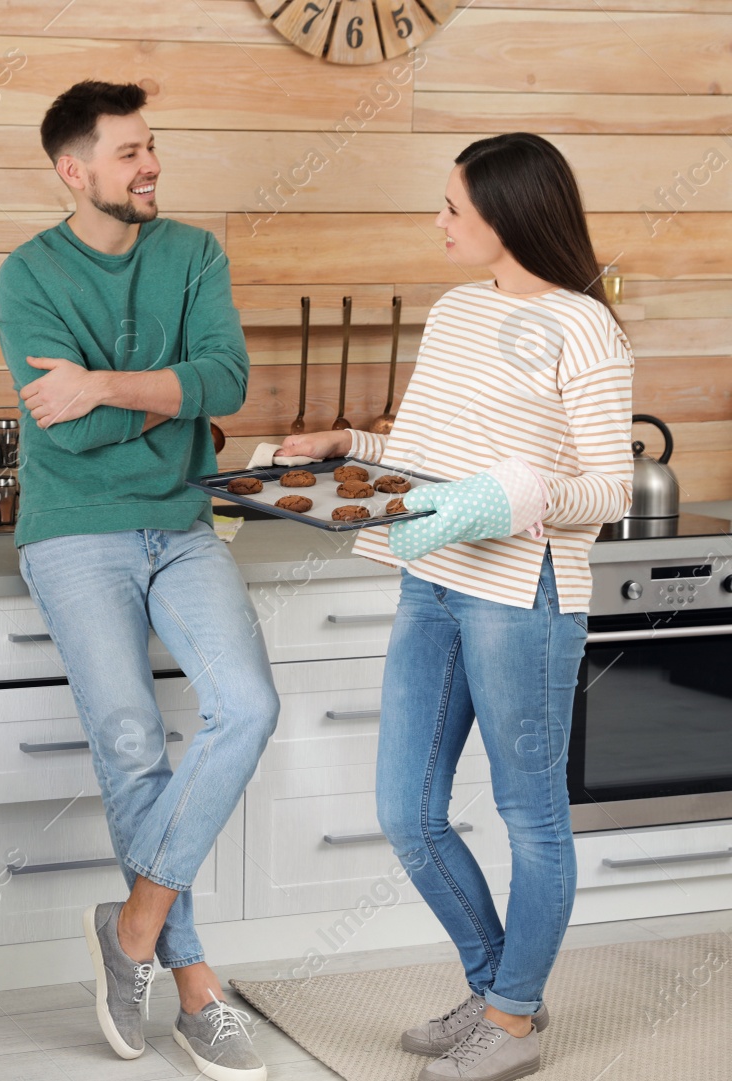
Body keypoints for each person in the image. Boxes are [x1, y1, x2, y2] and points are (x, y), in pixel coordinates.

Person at [283, 132, 634, 1081]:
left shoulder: (582, 327)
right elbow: (427, 444)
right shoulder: (455, 310)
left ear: (507, 216)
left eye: (452, 207)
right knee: (408, 810)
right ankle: (499, 989)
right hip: (436, 575)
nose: (438, 222)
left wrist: (513, 499)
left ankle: (511, 1019)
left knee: (531, 815)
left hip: (526, 589)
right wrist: (344, 440)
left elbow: (611, 488)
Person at [0, 80, 277, 1079]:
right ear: (73, 172)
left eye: (151, 147)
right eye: (127, 153)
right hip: (72, 532)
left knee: (245, 705)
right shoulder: (27, 275)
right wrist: (170, 401)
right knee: (128, 741)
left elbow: (227, 382)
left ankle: (135, 926)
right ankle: (198, 989)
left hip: (184, 524)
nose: (148, 165)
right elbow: (60, 423)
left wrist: (110, 387)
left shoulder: (192, 253)